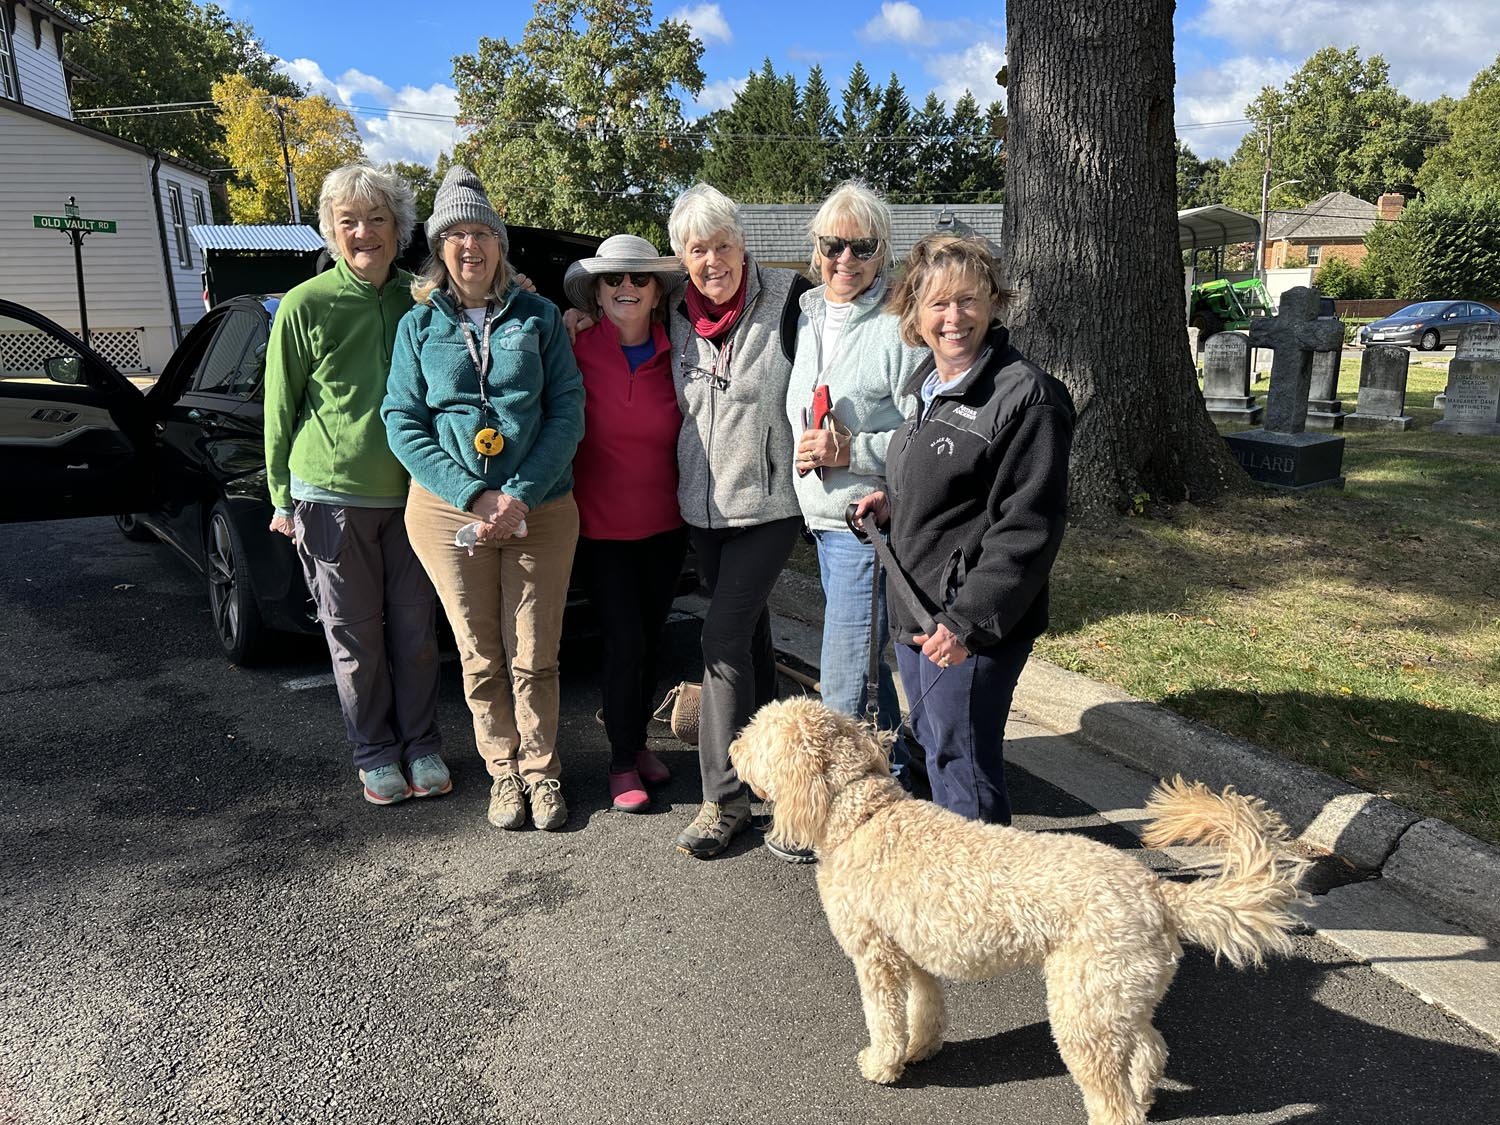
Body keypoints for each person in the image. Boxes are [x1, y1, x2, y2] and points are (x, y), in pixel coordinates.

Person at [382, 166, 585, 832]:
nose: (469, 245)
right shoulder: (418, 325)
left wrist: (517, 495)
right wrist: (474, 493)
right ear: (439, 248)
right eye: (455, 235)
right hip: (447, 510)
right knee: (478, 651)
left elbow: (567, 411)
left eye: (481, 233)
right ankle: (503, 772)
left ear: (499, 243)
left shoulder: (539, 316)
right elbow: (402, 419)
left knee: (535, 650)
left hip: (540, 507)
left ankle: (542, 771)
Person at [852, 233, 1074, 826]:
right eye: (938, 303)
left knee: (962, 766)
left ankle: (986, 885)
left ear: (993, 302)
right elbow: (952, 490)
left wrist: (967, 622)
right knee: (930, 747)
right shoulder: (929, 386)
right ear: (915, 312)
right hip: (918, 611)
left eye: (968, 300)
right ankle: (941, 875)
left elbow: (1027, 528)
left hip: (966, 625)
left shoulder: (1027, 398)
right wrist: (892, 505)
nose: (954, 317)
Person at [264, 162, 446, 808]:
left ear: (399, 229)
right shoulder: (304, 304)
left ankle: (422, 744)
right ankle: (374, 751)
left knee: (416, 636)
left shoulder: (421, 300)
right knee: (355, 639)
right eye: (350, 221)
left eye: (377, 219)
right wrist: (281, 498)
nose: (364, 232)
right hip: (331, 499)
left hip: (415, 497)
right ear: (331, 231)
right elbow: (279, 406)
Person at [666, 183, 812, 859]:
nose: (713, 261)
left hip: (770, 504)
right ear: (683, 258)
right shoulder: (672, 309)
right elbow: (603, 299)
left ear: (742, 244)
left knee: (720, 638)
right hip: (703, 508)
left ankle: (723, 800)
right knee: (750, 637)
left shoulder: (790, 299)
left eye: (723, 245)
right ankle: (771, 772)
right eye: (699, 250)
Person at [784, 180, 922, 802]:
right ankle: (902, 780)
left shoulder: (899, 326)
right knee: (866, 671)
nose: (845, 259)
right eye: (833, 245)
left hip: (864, 524)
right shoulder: (808, 311)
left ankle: (859, 809)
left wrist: (852, 453)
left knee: (845, 686)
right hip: (820, 520)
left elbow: (926, 433)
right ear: (815, 248)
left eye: (861, 247)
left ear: (882, 251)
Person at [561, 235, 688, 814]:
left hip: (667, 526)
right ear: (596, 292)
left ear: (658, 292)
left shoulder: (681, 352)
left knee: (653, 640)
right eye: (613, 279)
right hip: (600, 530)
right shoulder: (572, 345)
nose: (627, 287)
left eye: (640, 278)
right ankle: (618, 763)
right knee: (624, 642)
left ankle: (637, 745)